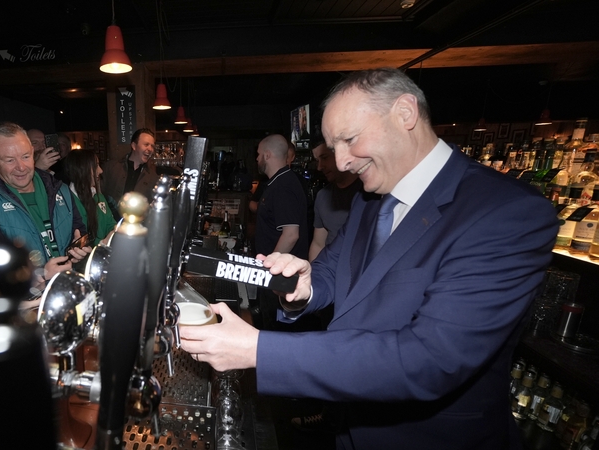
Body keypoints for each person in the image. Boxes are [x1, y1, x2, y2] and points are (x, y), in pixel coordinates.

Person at [180, 68, 558, 450]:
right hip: (349, 426)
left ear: (405, 113)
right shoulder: (370, 198)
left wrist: (257, 349)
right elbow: (332, 267)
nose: (341, 162)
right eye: (332, 147)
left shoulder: (505, 212)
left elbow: (429, 360)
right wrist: (305, 285)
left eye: (349, 139)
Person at [0, 122, 89, 270]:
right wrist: (40, 275)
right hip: (30, 292)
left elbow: (80, 232)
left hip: (68, 284)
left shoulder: (60, 189)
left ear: (32, 152)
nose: (21, 167)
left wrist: (80, 249)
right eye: (10, 160)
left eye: (25, 156)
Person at [252, 134, 308, 331]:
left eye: (258, 154)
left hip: (280, 278)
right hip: (276, 275)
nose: (257, 159)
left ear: (267, 155)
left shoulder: (284, 185)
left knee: (276, 332)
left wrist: (269, 270)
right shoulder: (277, 182)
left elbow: (291, 234)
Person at [307, 142, 362, 262]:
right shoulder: (322, 196)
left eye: (325, 158)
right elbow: (318, 244)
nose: (320, 167)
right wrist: (312, 277)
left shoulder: (368, 191)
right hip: (330, 274)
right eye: (317, 161)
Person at [66, 149, 118, 246]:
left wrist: (116, 231)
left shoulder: (99, 197)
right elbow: (78, 239)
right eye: (96, 166)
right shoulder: (67, 202)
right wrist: (102, 243)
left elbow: (110, 224)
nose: (101, 171)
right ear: (82, 169)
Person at [101, 128, 159, 202]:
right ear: (134, 146)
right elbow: (98, 195)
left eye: (152, 146)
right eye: (146, 144)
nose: (150, 149)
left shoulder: (152, 177)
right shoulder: (111, 168)